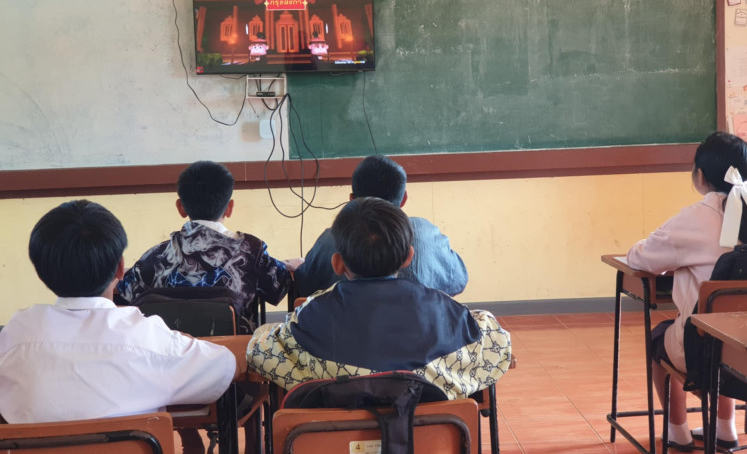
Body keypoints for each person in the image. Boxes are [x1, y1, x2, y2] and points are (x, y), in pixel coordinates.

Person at [0, 200, 238, 454]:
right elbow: (224, 366)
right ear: (120, 268)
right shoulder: (145, 336)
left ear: (40, 273)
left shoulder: (15, 335)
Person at [627, 131, 747, 451]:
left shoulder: (695, 218)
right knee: (730, 326)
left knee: (666, 337)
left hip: (710, 358)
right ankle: (724, 428)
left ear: (700, 176)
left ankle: (676, 431)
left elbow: (641, 259)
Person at [248, 197, 511, 399]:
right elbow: (497, 344)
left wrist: (263, 332)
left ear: (337, 264)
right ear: (409, 257)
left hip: (337, 449)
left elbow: (261, 352)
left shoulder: (312, 314)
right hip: (432, 447)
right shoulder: (444, 308)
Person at [117, 160, 301, 333]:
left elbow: (125, 293)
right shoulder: (251, 252)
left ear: (180, 207)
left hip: (170, 353)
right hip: (234, 353)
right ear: (229, 208)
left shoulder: (155, 257)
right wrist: (288, 265)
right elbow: (280, 287)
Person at [293, 155, 468, 298]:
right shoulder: (426, 233)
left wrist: (301, 267)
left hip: (342, 330)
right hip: (423, 329)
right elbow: (458, 281)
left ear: (352, 199)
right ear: (404, 198)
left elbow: (304, 286)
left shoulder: (331, 238)